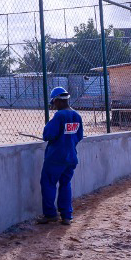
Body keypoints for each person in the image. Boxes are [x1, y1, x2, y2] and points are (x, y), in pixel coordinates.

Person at [37, 86, 84, 226]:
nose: (53, 105)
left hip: (56, 158)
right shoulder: (77, 116)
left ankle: (50, 214)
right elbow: (79, 136)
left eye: (53, 102)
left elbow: (48, 135)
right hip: (71, 157)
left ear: (57, 100)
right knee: (65, 184)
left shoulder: (59, 116)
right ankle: (66, 216)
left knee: (48, 184)